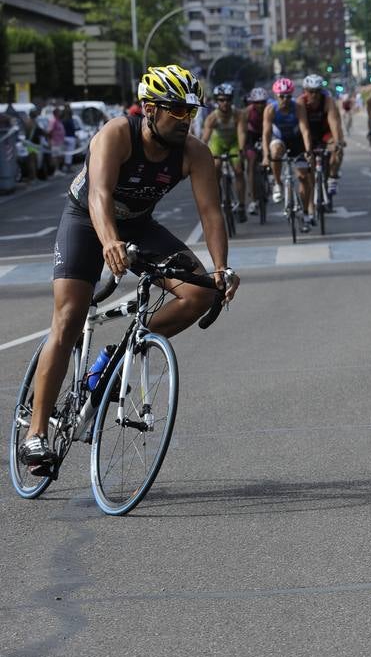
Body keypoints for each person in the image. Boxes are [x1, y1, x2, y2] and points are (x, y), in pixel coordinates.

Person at [17, 65, 240, 471]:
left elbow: (210, 212)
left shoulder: (193, 151)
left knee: (201, 292)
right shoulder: (116, 134)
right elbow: (99, 196)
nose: (186, 121)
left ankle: (122, 354)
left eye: (192, 112)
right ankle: (35, 433)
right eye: (177, 111)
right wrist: (109, 242)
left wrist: (221, 268)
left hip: (138, 223)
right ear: (151, 108)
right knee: (68, 319)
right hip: (86, 220)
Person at [262, 77, 319, 232]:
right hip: (279, 139)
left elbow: (305, 131)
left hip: (296, 141)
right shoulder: (270, 109)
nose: (285, 99)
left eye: (288, 96)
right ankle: (278, 184)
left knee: (303, 177)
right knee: (276, 151)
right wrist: (266, 155)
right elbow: (266, 135)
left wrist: (308, 151)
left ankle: (306, 212)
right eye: (282, 96)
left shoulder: (298, 107)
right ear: (276, 96)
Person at [198, 83, 247, 222]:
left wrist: (242, 150)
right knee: (216, 166)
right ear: (217, 101)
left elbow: (242, 133)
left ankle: (242, 205)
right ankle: (218, 196)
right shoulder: (212, 118)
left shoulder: (238, 114)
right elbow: (205, 138)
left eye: (227, 99)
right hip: (218, 144)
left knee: (238, 170)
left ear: (231, 100)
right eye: (221, 99)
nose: (225, 102)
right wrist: (201, 154)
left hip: (234, 143)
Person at [298, 74, 345, 204]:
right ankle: (313, 192)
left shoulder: (328, 101)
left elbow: (334, 123)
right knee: (309, 162)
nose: (314, 95)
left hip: (325, 132)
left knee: (337, 150)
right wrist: (308, 150)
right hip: (309, 134)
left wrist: (338, 142)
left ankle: (333, 177)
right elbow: (304, 128)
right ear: (305, 91)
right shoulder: (301, 102)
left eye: (317, 91)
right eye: (310, 91)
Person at [241, 87, 269, 214]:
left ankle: (272, 179)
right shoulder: (247, 112)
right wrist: (242, 148)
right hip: (252, 138)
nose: (260, 105)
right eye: (257, 102)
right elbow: (242, 131)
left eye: (263, 102)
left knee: (271, 155)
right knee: (251, 164)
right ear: (252, 103)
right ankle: (252, 200)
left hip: (267, 135)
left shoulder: (270, 109)